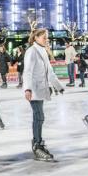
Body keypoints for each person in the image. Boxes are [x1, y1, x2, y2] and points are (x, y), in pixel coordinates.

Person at [23, 26, 64, 161]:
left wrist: (58, 86)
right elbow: (27, 71)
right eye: (44, 37)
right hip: (34, 89)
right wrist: (27, 89)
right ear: (36, 38)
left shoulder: (43, 51)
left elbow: (50, 72)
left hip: (41, 89)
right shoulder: (31, 51)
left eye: (47, 37)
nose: (46, 39)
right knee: (39, 116)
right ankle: (37, 145)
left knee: (39, 117)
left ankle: (38, 142)